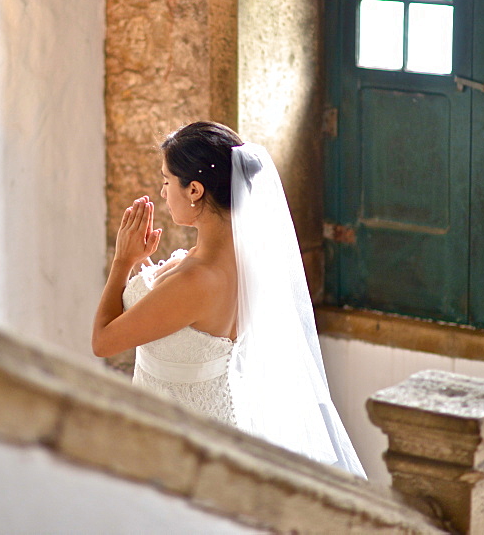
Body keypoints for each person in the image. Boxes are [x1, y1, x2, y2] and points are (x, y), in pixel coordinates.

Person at [92, 122, 365, 478]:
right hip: (210, 424)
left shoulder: (197, 279)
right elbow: (179, 322)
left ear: (194, 189)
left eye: (166, 181)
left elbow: (102, 342)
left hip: (182, 442)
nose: (162, 192)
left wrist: (122, 262)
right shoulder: (240, 260)